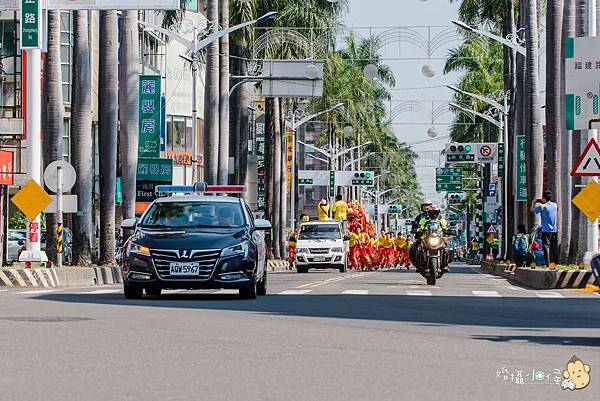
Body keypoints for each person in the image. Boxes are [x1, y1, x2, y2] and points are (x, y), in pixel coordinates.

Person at [530, 190, 558, 266]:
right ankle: (555, 262)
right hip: (554, 230)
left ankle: (547, 263)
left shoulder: (542, 206)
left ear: (543, 198)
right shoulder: (555, 205)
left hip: (545, 230)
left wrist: (534, 202)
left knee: (546, 247)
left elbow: (532, 210)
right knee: (553, 247)